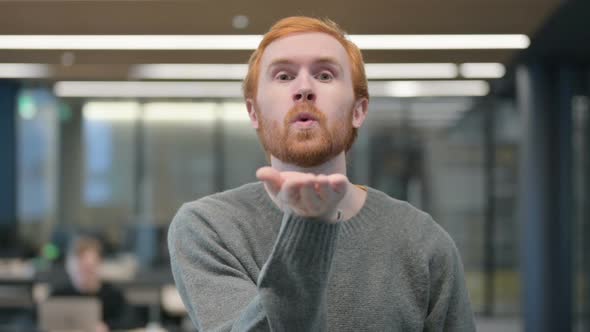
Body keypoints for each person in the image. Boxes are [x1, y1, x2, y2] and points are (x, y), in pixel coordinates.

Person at [168, 16, 476, 331]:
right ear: (253, 112)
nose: (304, 88)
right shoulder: (209, 227)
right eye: (284, 76)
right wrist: (306, 232)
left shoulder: (422, 241)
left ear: (359, 111)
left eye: (325, 75)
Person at [51, 235, 138, 332]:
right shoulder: (58, 296)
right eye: (81, 268)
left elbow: (131, 321)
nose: (85, 274)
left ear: (99, 264)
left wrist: (107, 326)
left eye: (89, 268)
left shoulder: (113, 296)